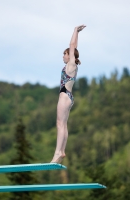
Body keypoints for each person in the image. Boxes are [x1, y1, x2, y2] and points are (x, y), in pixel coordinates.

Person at [51, 25, 86, 163]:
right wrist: (77, 33)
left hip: (65, 96)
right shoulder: (73, 65)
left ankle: (58, 152)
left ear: (69, 55)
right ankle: (62, 151)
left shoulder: (71, 65)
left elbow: (72, 45)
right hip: (69, 97)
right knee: (63, 124)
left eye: (64, 54)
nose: (63, 56)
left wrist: (75, 30)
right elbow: (75, 46)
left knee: (60, 124)